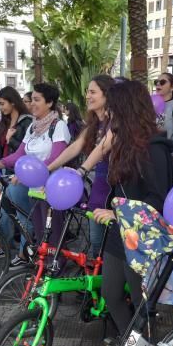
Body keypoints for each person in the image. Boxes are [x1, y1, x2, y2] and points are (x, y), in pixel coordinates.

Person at [90, 80, 173, 346]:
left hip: (142, 234)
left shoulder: (154, 149)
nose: (108, 116)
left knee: (141, 299)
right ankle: (132, 342)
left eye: (113, 110)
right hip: (120, 232)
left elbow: (158, 199)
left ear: (126, 110)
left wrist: (116, 212)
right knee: (111, 293)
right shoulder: (122, 143)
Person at [0, 83, 71, 267]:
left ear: (50, 103)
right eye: (32, 100)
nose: (32, 104)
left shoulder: (58, 126)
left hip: (52, 187)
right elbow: (20, 154)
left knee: (53, 230)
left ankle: (56, 266)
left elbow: (56, 157)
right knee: (39, 228)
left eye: (37, 100)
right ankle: (43, 264)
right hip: (34, 187)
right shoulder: (33, 127)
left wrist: (27, 174)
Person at [49, 75, 116, 257]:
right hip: (100, 185)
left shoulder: (116, 121)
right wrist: (49, 168)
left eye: (93, 92)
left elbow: (103, 148)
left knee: (108, 242)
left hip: (114, 186)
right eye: (87, 91)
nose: (87, 96)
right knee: (95, 240)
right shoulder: (94, 122)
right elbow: (75, 147)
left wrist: (81, 170)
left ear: (107, 95)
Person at [0, 86, 32, 161]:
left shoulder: (27, 121)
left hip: (18, 167)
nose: (0, 107)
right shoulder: (4, 122)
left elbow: (29, 150)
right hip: (3, 167)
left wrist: (10, 140)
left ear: (12, 102)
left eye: (2, 104)